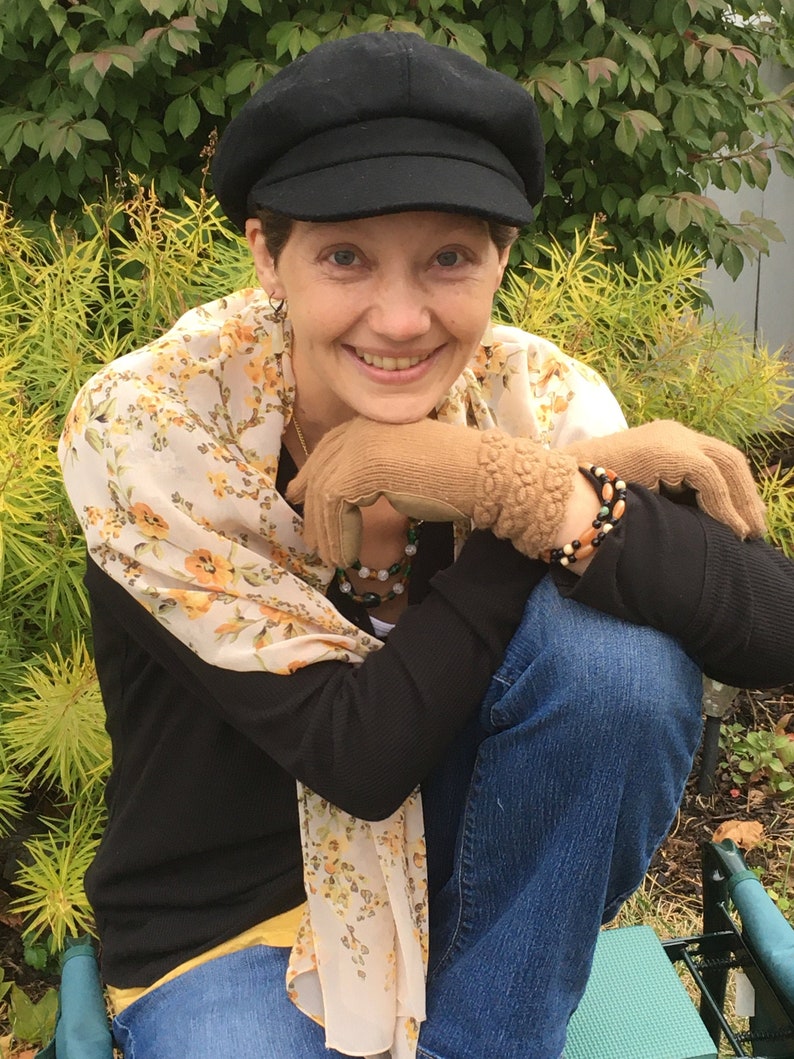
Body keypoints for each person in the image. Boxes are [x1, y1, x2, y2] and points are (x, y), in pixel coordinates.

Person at [58, 30, 794, 1059]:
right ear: (268, 255)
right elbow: (353, 758)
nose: (398, 319)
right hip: (228, 914)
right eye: (345, 256)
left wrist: (505, 479)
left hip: (467, 881)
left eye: (447, 256)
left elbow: (770, 628)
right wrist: (515, 508)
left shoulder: (525, 396)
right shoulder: (155, 428)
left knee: (621, 665)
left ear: (500, 259)